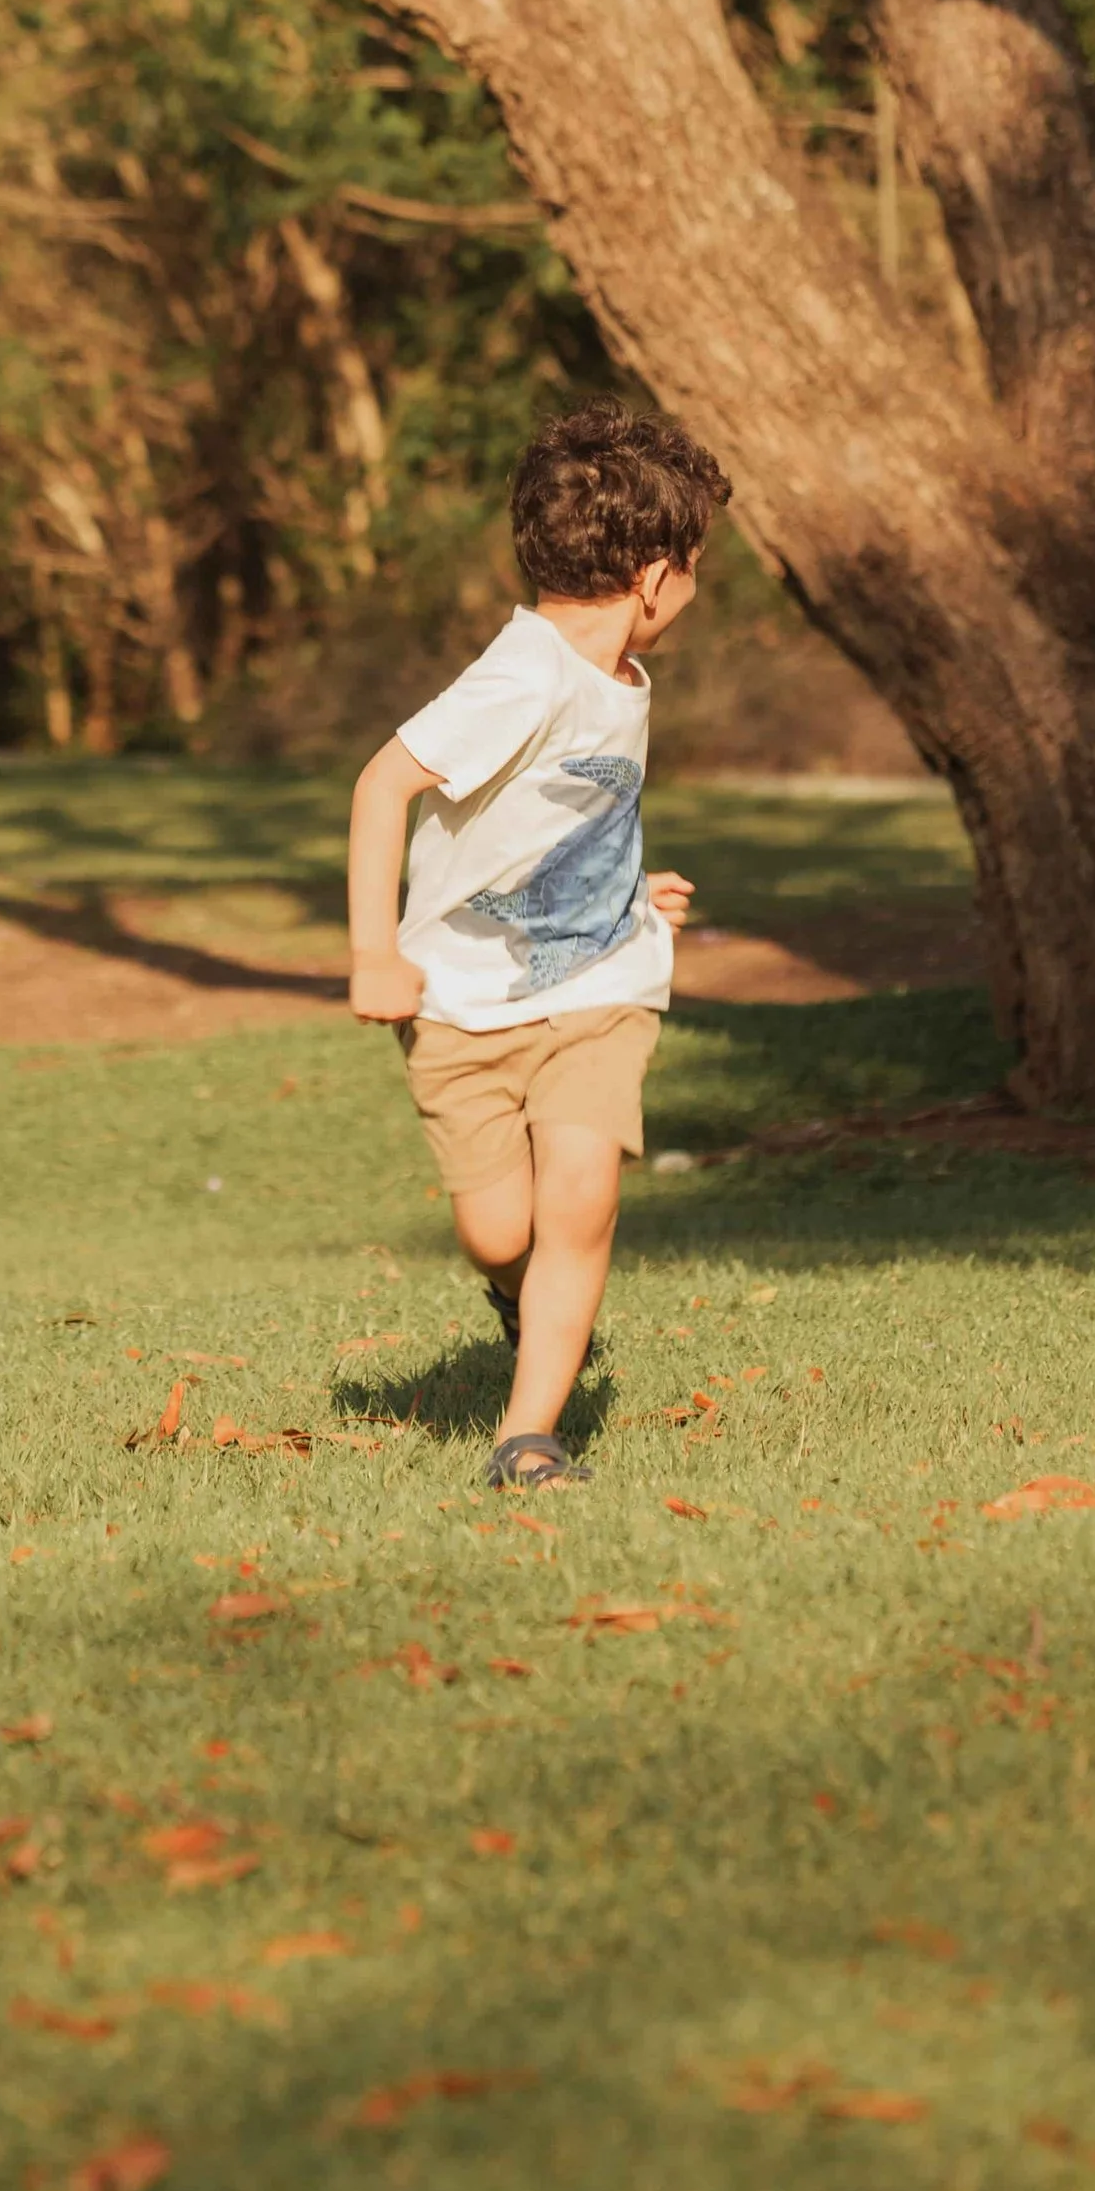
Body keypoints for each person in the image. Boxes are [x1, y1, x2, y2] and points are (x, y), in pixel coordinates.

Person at [345, 401, 729, 1489]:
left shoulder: (611, 679)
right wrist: (374, 952)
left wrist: (623, 886)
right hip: (460, 998)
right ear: (655, 576)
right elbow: (384, 783)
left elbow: (565, 812)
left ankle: (526, 1436)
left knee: (577, 1197)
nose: (692, 589)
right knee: (496, 1227)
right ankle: (518, 1298)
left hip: (602, 983)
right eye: (695, 565)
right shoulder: (525, 673)